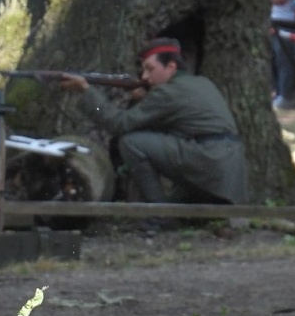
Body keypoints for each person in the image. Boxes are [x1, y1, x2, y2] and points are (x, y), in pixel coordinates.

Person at [60, 38, 247, 207]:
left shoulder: (165, 93)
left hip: (208, 161)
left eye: (150, 69)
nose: (144, 77)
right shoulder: (201, 82)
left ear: (171, 67)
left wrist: (86, 92)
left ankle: (159, 212)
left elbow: (118, 124)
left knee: (131, 143)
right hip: (226, 169)